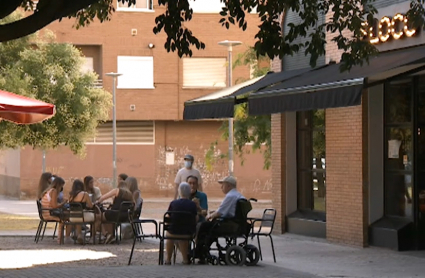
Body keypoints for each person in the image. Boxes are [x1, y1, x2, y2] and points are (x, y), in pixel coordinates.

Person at [195, 176, 244, 264]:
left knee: (203, 226)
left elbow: (219, 213)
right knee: (208, 227)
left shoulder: (230, 196)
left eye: (223, 185)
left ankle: (199, 251)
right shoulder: (238, 195)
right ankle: (202, 250)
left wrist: (209, 216)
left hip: (230, 224)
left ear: (228, 186)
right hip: (237, 223)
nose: (221, 187)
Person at [164, 182, 198, 265]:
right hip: (187, 232)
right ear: (189, 192)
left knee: (170, 235)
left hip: (173, 231)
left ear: (179, 191)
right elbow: (196, 219)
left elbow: (168, 216)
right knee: (182, 232)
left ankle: (168, 260)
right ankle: (185, 259)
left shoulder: (173, 203)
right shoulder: (192, 204)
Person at [67, 179, 95, 244]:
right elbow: (91, 206)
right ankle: (92, 237)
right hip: (82, 216)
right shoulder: (85, 194)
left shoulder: (71, 195)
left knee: (78, 217)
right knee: (97, 218)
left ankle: (79, 234)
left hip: (72, 217)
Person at [40, 176, 67, 244]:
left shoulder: (49, 190)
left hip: (45, 212)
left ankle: (63, 238)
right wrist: (64, 203)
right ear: (58, 185)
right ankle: (60, 239)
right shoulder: (54, 191)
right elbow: (54, 206)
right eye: (61, 186)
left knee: (65, 216)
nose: (61, 188)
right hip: (49, 214)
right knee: (64, 218)